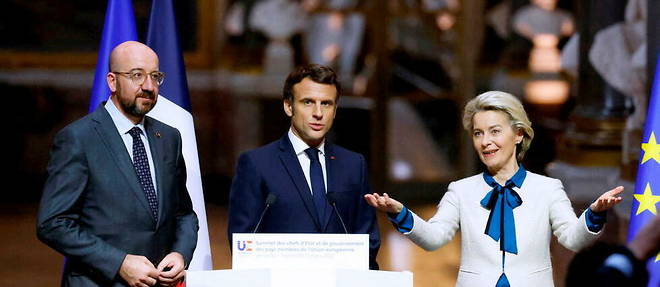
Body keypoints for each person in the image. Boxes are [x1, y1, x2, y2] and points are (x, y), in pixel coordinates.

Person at [365, 91, 623, 286]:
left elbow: (572, 239)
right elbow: (434, 239)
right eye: (478, 133)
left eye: (494, 131)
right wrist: (400, 213)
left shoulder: (548, 189)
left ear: (519, 134)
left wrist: (594, 214)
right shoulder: (460, 191)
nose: (485, 142)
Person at [36, 41, 199, 287]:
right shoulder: (79, 139)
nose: (148, 86)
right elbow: (53, 223)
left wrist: (180, 254)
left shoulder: (169, 137)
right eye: (136, 75)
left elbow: (184, 214)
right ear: (112, 81)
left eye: (155, 77)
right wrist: (118, 262)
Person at [227, 64, 380, 269]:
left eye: (326, 104)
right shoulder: (256, 164)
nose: (318, 113)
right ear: (288, 106)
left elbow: (368, 239)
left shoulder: (353, 164)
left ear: (335, 110)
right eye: (308, 102)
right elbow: (242, 242)